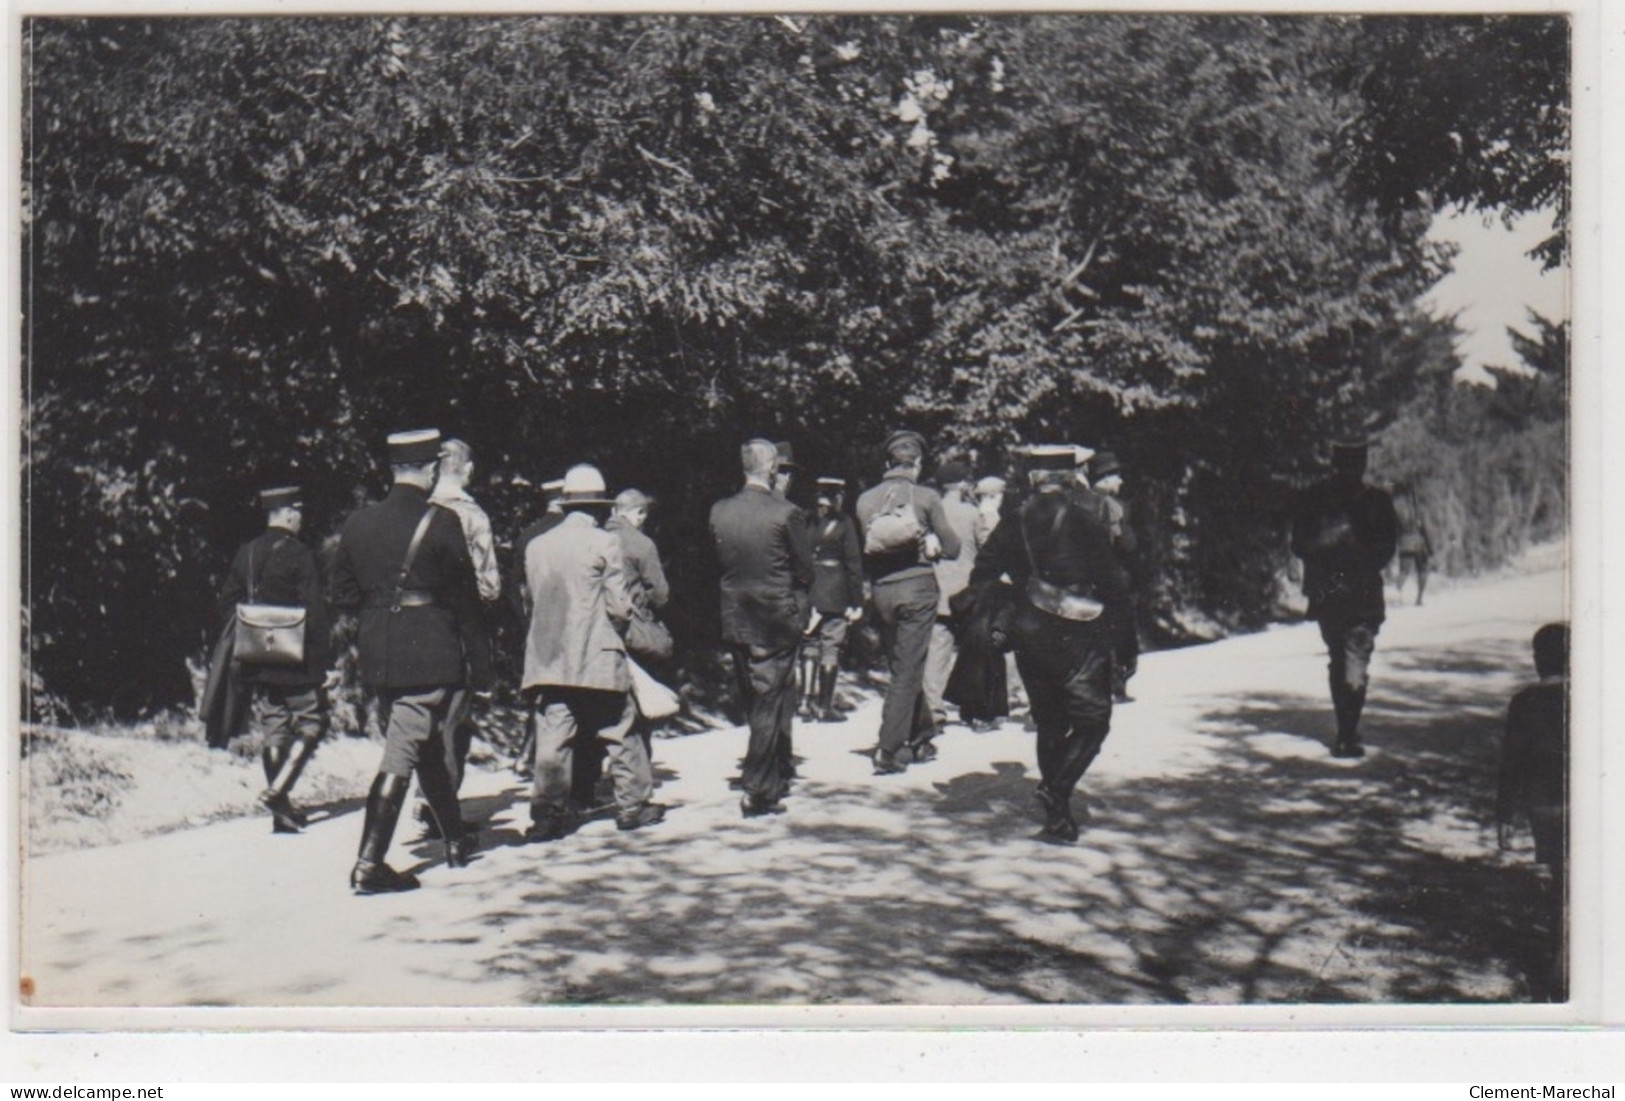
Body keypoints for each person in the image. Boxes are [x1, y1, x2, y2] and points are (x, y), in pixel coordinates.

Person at [331, 429, 487, 894]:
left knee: (420, 741)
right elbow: (466, 601)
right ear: (432, 468)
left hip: (379, 652)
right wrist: (482, 665)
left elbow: (342, 595)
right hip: (431, 650)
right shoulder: (442, 521)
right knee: (405, 747)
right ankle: (368, 865)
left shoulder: (358, 523)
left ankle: (455, 838)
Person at [969, 444, 1134, 842]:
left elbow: (982, 573)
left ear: (1033, 479)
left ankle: (1059, 818)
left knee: (1049, 720)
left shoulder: (1013, 520)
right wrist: (1126, 643)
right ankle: (1057, 790)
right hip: (1082, 629)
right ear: (1068, 478)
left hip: (1030, 628)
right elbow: (1117, 583)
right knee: (1094, 720)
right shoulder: (1085, 518)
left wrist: (1013, 597)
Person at [522, 465, 666, 840]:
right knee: (620, 726)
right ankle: (633, 805)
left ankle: (547, 814)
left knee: (554, 733)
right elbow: (619, 607)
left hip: (549, 656)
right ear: (599, 506)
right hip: (597, 652)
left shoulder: (537, 547)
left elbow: (532, 602)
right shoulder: (605, 543)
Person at [215, 485, 333, 834]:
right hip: (295, 660)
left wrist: (252, 634)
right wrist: (322, 662)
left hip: (259, 660)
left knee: (275, 729)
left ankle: (281, 813)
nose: (300, 519)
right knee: (313, 724)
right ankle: (278, 791)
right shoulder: (300, 554)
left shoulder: (246, 553)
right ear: (288, 513)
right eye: (298, 512)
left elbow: (226, 604)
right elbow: (315, 611)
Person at [711, 438, 814, 816]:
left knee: (755, 700)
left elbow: (717, 564)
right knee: (769, 701)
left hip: (735, 617)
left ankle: (767, 781)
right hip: (775, 618)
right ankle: (757, 786)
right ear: (771, 468)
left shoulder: (719, 511)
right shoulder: (786, 512)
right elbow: (805, 570)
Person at [855, 429, 962, 774]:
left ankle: (922, 735)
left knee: (902, 663)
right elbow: (954, 547)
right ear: (916, 464)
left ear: (887, 462)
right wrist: (931, 541)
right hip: (917, 590)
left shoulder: (865, 500)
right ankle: (888, 748)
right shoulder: (926, 497)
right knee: (909, 667)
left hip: (882, 592)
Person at [1289, 437, 1399, 759]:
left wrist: (1329, 561)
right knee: (1353, 659)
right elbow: (1386, 549)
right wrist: (1359, 564)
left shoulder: (1314, 498)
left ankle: (1346, 729)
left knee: (1342, 657)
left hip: (1329, 591)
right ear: (1362, 463)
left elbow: (1299, 545)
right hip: (1360, 591)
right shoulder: (1377, 500)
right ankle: (1347, 731)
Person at [416, 438, 498, 835]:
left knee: (423, 718)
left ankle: (425, 796)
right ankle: (443, 811)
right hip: (458, 628)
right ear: (467, 471)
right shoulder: (472, 515)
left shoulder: (414, 510)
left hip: (413, 631)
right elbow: (489, 586)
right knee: (454, 721)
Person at [1496, 622, 1569, 1001]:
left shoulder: (1525, 702)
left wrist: (1504, 816)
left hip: (1544, 808)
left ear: (1537, 660)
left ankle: (1560, 958)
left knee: (1562, 878)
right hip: (1589, 805)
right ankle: (1567, 960)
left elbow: (1511, 765)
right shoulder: (1599, 696)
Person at [506, 476, 565, 780]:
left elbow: (514, 589)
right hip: (567, 627)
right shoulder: (574, 534)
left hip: (534, 628)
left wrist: (526, 623)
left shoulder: (527, 536)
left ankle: (527, 755)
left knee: (539, 692)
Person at [922, 458, 982, 732]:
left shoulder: (930, 511)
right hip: (968, 592)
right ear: (960, 484)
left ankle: (934, 712)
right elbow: (985, 548)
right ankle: (974, 710)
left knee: (937, 652)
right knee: (974, 652)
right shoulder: (972, 513)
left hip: (938, 590)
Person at [800, 475, 864, 723]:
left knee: (809, 643)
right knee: (831, 644)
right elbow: (853, 564)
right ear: (838, 495)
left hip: (810, 587)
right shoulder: (845, 523)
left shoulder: (805, 520)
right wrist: (857, 601)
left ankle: (805, 702)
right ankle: (824, 706)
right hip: (836, 590)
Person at [1089, 450, 1139, 704]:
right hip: (1113, 577)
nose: (1120, 481)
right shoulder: (1113, 506)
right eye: (1116, 476)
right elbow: (1127, 545)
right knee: (1120, 632)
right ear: (1105, 478)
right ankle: (1117, 684)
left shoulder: (1080, 501)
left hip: (1087, 579)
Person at [1393, 483, 1434, 607]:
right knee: (1423, 569)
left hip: (1404, 542)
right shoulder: (1418, 508)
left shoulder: (1396, 508)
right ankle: (1419, 598)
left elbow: (1394, 529)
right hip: (1419, 543)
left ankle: (1398, 595)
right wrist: (1430, 547)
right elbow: (1425, 529)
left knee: (1404, 571)